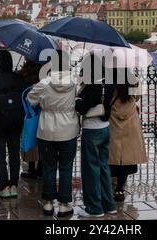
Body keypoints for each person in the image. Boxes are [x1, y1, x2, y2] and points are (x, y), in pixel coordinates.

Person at [26, 50, 79, 218]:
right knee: (66, 167)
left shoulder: (44, 83)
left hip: (46, 130)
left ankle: (48, 204)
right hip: (69, 130)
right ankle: (64, 204)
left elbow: (29, 100)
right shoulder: (75, 82)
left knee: (49, 167)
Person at [75, 54, 117, 218]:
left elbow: (82, 108)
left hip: (91, 130)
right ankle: (109, 204)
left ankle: (94, 207)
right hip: (105, 129)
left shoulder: (91, 87)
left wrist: (78, 98)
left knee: (91, 169)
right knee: (104, 167)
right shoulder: (108, 83)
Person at [0, 50, 27, 198]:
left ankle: (4, 186)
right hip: (16, 122)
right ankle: (14, 185)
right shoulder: (19, 79)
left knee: (0, 156)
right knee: (14, 154)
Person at [108, 68, 147, 202]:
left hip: (112, 121)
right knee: (126, 157)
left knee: (112, 155)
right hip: (130, 121)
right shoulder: (134, 80)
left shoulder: (109, 80)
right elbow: (137, 97)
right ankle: (120, 188)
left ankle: (109, 184)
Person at [17, 60, 43, 179]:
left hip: (28, 111)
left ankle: (32, 168)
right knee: (41, 140)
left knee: (30, 136)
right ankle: (41, 168)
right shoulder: (44, 73)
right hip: (42, 111)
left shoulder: (25, 74)